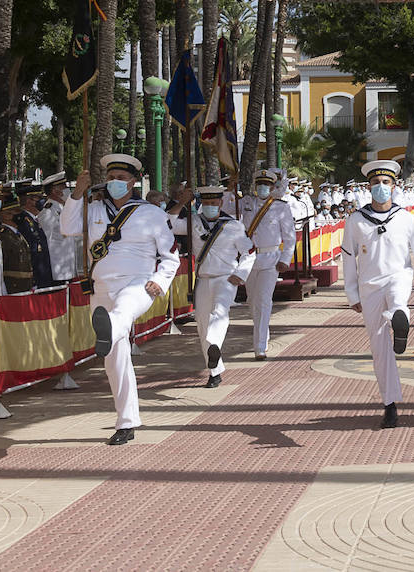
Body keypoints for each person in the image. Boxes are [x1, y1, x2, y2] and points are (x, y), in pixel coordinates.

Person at [61, 154, 180, 445]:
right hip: (100, 286)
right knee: (116, 359)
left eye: (122, 178)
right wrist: (78, 193)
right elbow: (67, 228)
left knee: (124, 312)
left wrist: (161, 280)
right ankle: (126, 422)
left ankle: (109, 327)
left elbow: (171, 255)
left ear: (134, 182)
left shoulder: (150, 213)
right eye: (111, 177)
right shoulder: (93, 209)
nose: (116, 182)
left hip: (139, 284)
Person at [341, 159, 414, 429]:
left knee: (398, 302)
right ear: (368, 186)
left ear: (395, 186)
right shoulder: (355, 221)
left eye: (386, 183)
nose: (381, 187)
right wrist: (353, 296)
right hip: (369, 286)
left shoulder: (406, 219)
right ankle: (390, 404)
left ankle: (400, 321)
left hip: (398, 276)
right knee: (378, 348)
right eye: (376, 183)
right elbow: (348, 260)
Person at [173, 185, 255, 388]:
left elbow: (250, 251)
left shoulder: (233, 226)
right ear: (202, 204)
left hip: (226, 278)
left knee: (219, 313)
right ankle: (214, 370)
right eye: (206, 203)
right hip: (202, 279)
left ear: (220, 203)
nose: (210, 206)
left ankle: (215, 345)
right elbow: (170, 223)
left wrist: (240, 274)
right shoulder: (193, 222)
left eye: (214, 203)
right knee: (201, 324)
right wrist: (182, 202)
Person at [230, 167, 296, 359]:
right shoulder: (246, 202)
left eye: (266, 184)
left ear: (273, 186)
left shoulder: (281, 207)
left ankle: (259, 346)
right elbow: (228, 210)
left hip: (271, 259)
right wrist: (229, 191)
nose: (262, 188)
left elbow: (290, 237)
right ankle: (263, 334)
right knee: (252, 302)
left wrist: (285, 259)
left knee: (264, 301)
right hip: (249, 259)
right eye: (259, 184)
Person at [37, 173, 80, 283]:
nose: (68, 190)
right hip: (57, 270)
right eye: (64, 187)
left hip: (69, 267)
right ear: (55, 192)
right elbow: (48, 240)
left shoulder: (65, 209)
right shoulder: (47, 212)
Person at [14, 182, 55, 288]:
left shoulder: (36, 219)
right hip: (36, 275)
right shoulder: (23, 221)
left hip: (44, 272)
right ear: (29, 201)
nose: (43, 201)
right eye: (39, 198)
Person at [0, 194, 34, 293]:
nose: (19, 215)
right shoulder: (4, 236)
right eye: (16, 212)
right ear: (5, 215)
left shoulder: (16, 233)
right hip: (13, 285)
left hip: (25, 284)